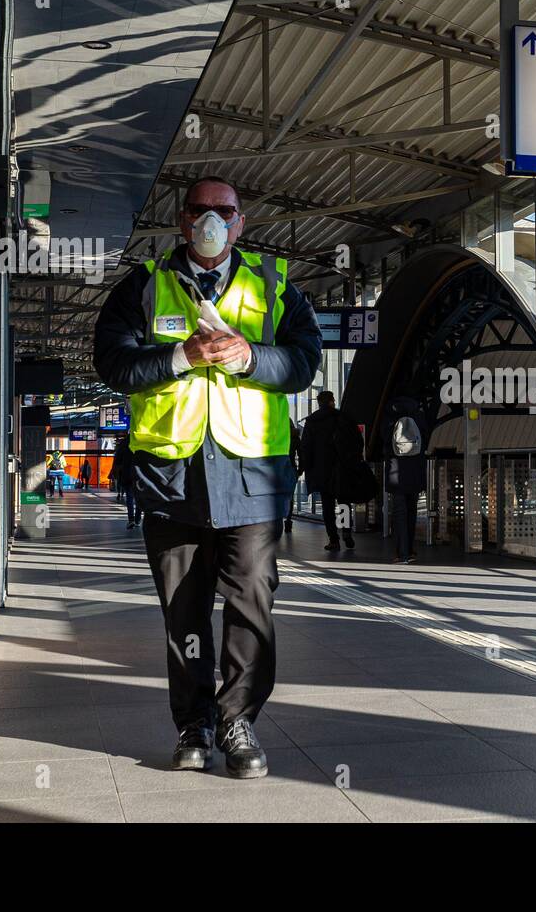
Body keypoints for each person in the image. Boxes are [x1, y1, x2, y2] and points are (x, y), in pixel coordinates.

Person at [93, 175, 321, 779]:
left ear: (241, 222)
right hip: (173, 478)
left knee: (251, 604)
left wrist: (249, 358)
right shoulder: (143, 287)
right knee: (183, 611)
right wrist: (180, 357)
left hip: (252, 477)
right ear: (181, 220)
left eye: (225, 211)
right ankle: (193, 724)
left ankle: (237, 719)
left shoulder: (274, 287)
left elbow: (304, 363)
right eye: (200, 210)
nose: (212, 220)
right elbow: (112, 363)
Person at [300, 391, 361, 552]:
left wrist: (307, 468)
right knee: (344, 502)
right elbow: (357, 442)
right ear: (332, 401)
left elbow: (305, 447)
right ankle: (347, 532)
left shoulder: (312, 421)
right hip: (342, 468)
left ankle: (333, 539)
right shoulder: (344, 418)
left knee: (327, 506)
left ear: (319, 403)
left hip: (322, 471)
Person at [379, 394, 427, 563]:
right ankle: (411, 550)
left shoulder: (390, 417)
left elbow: (384, 440)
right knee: (412, 511)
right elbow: (424, 440)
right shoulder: (419, 416)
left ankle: (402, 553)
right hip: (415, 470)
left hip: (396, 470)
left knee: (399, 513)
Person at [114, 437, 140, 528]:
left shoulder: (124, 442)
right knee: (139, 497)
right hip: (140, 474)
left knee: (129, 497)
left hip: (128, 473)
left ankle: (131, 520)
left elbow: (117, 459)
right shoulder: (141, 440)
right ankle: (137, 520)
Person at [283, 418, 301, 535]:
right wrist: (301, 469)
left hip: (277, 469)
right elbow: (301, 453)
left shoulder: (276, 436)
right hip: (291, 469)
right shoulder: (295, 437)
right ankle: (288, 521)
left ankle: (276, 521)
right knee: (290, 497)